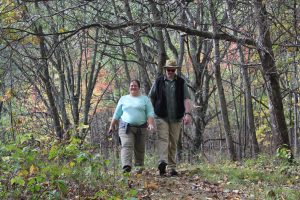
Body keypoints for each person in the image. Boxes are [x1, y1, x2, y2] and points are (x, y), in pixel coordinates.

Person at [149, 60, 191, 176]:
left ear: (175, 70)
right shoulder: (158, 82)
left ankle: (172, 168)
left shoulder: (181, 82)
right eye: (169, 70)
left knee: (173, 142)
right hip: (160, 116)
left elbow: (186, 99)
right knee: (163, 139)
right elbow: (151, 97)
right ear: (165, 70)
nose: (171, 72)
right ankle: (162, 162)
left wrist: (187, 114)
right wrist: (150, 114)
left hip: (176, 117)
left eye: (173, 70)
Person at [109, 80, 155, 173]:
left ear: (139, 87)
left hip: (141, 128)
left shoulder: (145, 99)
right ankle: (126, 166)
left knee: (140, 148)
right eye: (131, 85)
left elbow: (150, 112)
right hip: (126, 127)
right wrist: (112, 125)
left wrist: (150, 124)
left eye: (135, 85)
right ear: (129, 87)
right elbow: (117, 113)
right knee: (126, 145)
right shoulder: (123, 99)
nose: (133, 87)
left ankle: (139, 167)